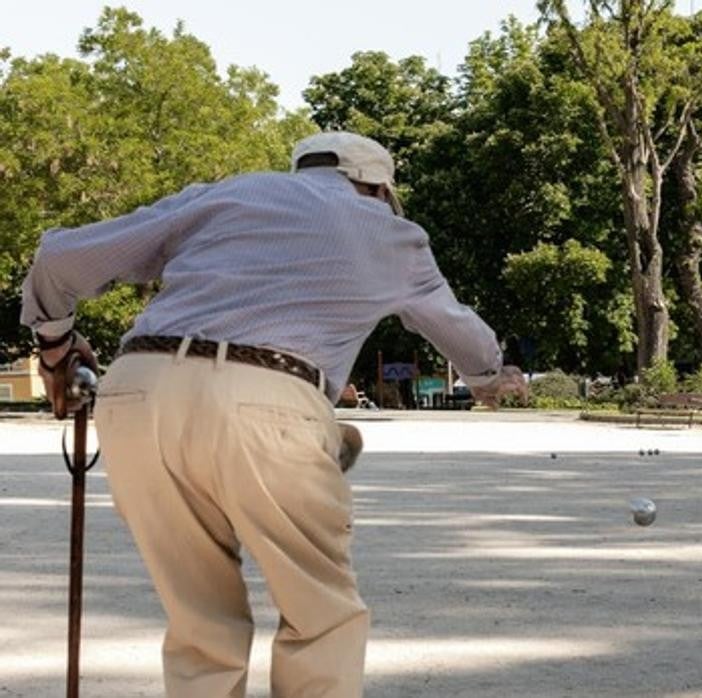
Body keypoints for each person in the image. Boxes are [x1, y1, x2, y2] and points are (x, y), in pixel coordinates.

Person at [21, 131, 525, 697]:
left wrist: (56, 347)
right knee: (321, 617)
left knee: (200, 624)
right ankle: (325, 441)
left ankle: (327, 441)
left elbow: (60, 258)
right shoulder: (390, 231)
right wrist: (488, 376)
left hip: (139, 393)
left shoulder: (226, 195)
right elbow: (454, 325)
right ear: (379, 188)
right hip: (267, 401)